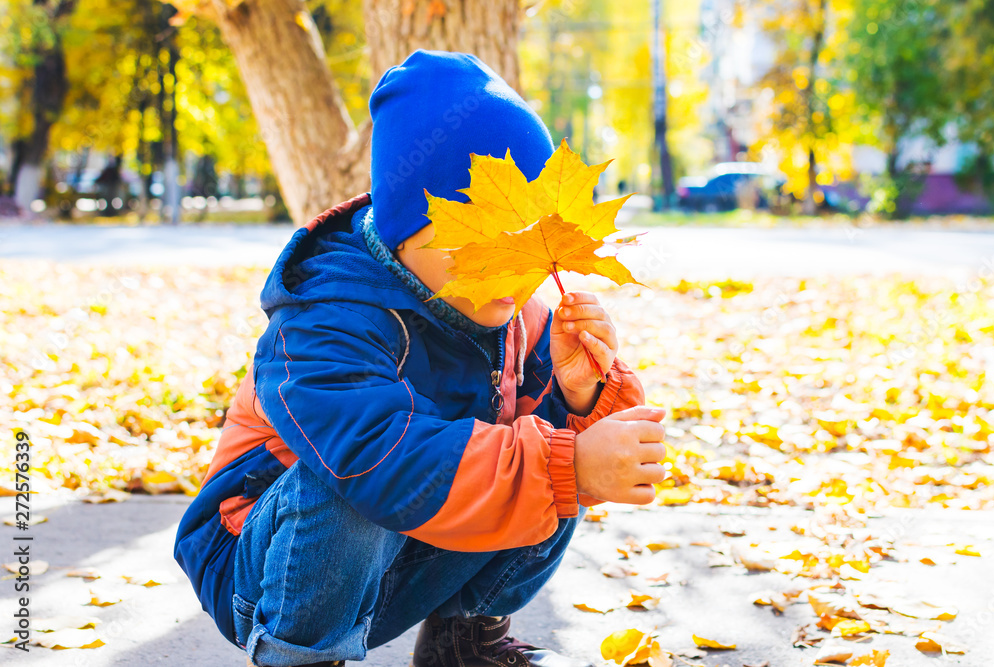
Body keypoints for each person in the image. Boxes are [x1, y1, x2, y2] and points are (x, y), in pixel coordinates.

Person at [173, 49, 667, 667]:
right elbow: (379, 457)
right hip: (267, 563)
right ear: (406, 228)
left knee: (552, 453)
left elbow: (575, 460)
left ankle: (465, 642)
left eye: (524, 247)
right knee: (369, 477)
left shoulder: (520, 314)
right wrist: (569, 465)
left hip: (405, 550)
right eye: (477, 245)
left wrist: (584, 395)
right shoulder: (324, 317)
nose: (507, 274)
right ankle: (301, 657)